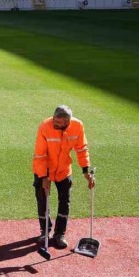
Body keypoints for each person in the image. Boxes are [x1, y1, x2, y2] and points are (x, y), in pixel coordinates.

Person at [32, 105, 94, 249]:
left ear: (67, 122)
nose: (55, 123)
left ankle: (59, 234)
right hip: (44, 169)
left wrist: (86, 171)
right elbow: (40, 154)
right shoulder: (45, 126)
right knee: (42, 200)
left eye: (59, 123)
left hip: (64, 170)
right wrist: (43, 177)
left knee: (64, 201)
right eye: (54, 120)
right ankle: (44, 232)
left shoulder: (77, 126)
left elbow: (81, 149)